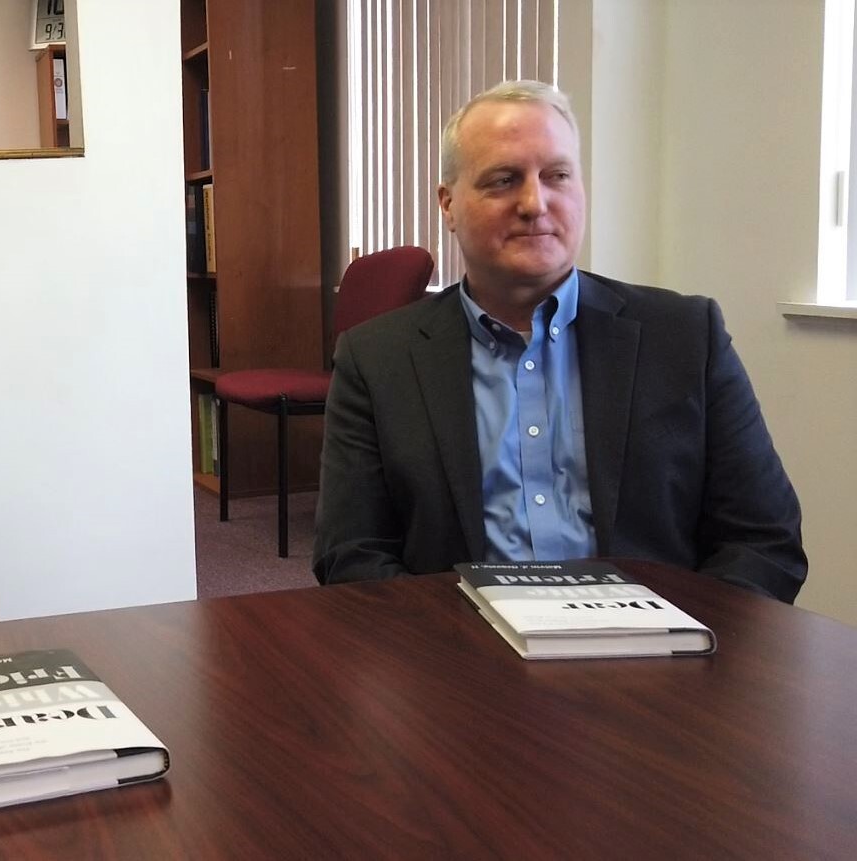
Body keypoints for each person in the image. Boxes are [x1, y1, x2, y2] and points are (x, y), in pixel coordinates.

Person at [312, 80, 806, 602]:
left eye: (557, 176)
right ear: (449, 205)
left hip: (656, 658)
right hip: (461, 657)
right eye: (503, 180)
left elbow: (762, 540)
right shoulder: (377, 357)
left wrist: (682, 643)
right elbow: (351, 553)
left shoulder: (686, 335)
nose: (534, 202)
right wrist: (450, 654)